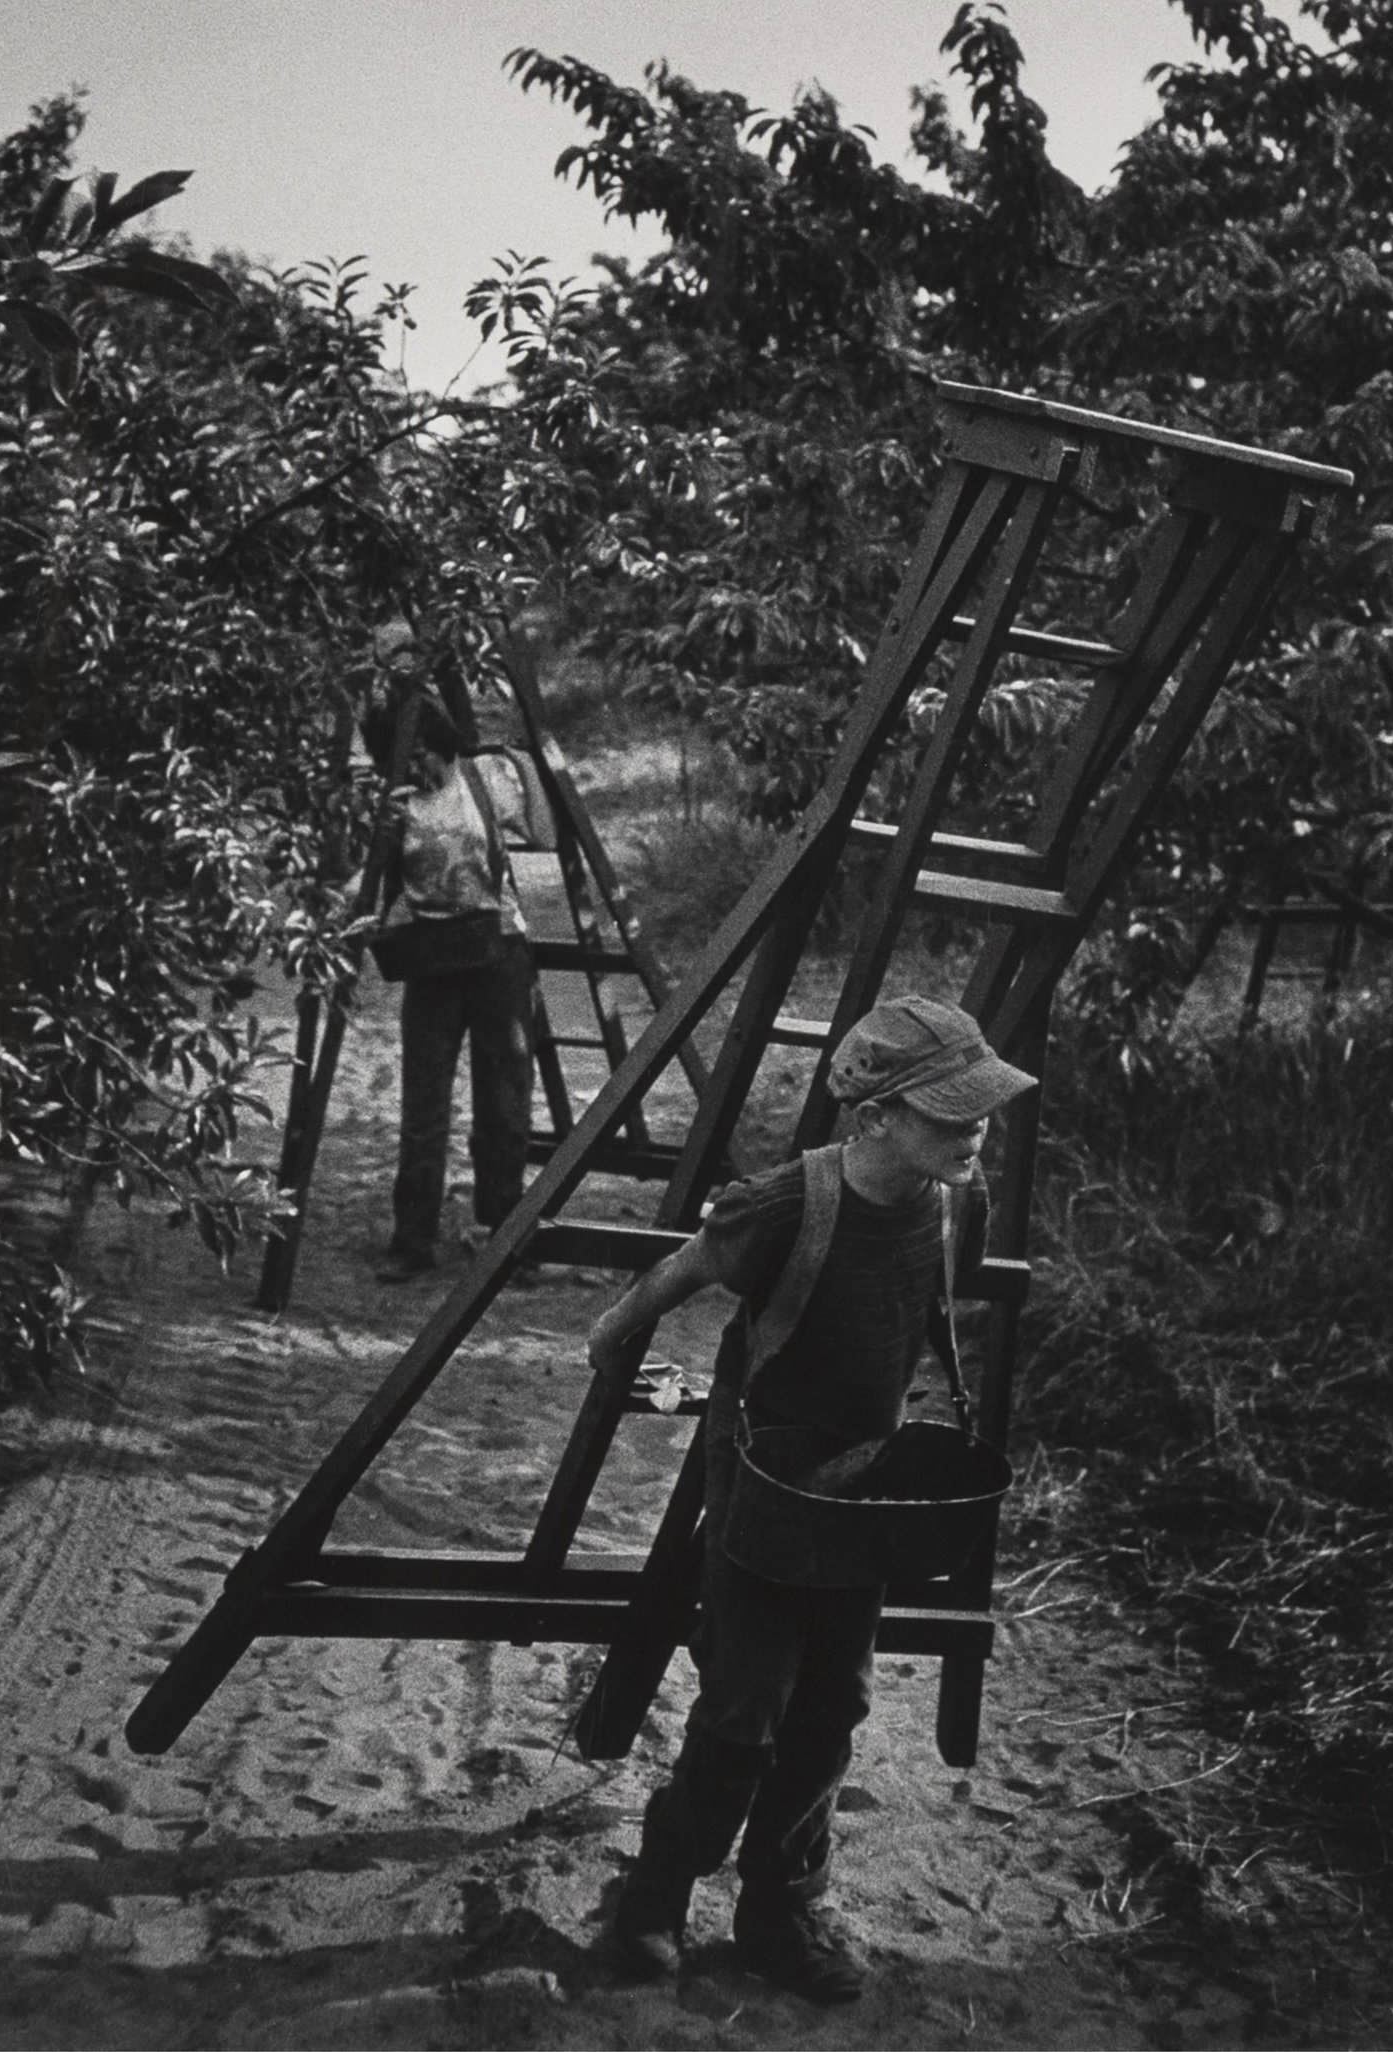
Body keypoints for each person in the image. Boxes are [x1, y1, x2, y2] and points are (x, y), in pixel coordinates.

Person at [586, 996, 1036, 2003]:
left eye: (979, 1108)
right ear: (874, 1115)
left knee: (835, 1704)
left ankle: (782, 1909)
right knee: (746, 1704)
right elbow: (688, 1267)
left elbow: (919, 1313)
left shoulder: (951, 1200)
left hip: (861, 1498)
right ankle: (657, 1893)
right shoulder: (790, 1204)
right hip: (764, 1492)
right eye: (951, 1111)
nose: (976, 1128)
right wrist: (615, 1332)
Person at [360, 633, 554, 1284]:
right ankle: (412, 1240)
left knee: (505, 1103)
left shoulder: (483, 778)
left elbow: (542, 840)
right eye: (401, 755)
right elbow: (371, 888)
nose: (415, 763)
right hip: (434, 961)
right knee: (424, 1110)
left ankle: (502, 1238)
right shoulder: (391, 804)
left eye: (422, 749)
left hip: (499, 951)